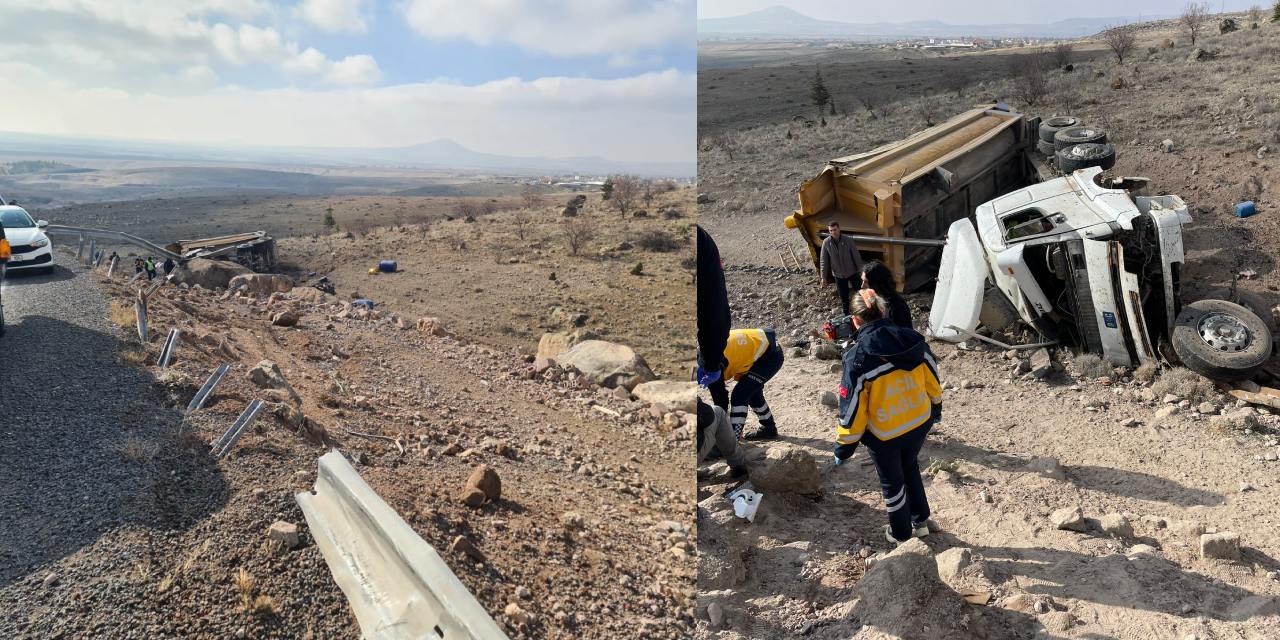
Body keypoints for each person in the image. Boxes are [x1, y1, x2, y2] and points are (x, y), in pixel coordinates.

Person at [833, 289, 943, 543]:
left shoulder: (857, 357)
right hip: (918, 422)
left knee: (892, 482)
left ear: (855, 320)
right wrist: (935, 407)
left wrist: (844, 446)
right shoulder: (913, 340)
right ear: (882, 311)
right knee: (910, 466)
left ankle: (901, 534)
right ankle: (921, 520)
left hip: (885, 434)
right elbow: (932, 376)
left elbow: (853, 407)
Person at [696, 226, 747, 477]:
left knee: (744, 394)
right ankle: (735, 459)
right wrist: (712, 361)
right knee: (719, 410)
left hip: (763, 357)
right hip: (717, 358)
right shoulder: (700, 241)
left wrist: (712, 361)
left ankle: (734, 448)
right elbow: (715, 316)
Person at [708, 327, 784, 441]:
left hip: (770, 355)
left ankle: (732, 440)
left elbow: (720, 400)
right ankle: (769, 429)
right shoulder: (706, 354)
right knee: (753, 393)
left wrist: (723, 432)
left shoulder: (711, 366)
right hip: (761, 349)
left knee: (740, 394)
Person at [820, 220, 864, 315]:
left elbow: (856, 256)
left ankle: (863, 313)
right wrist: (823, 277)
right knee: (844, 298)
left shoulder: (848, 240)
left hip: (852, 272)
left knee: (860, 294)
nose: (833, 232)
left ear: (839, 229)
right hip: (839, 275)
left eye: (835, 230)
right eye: (831, 230)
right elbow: (823, 260)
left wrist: (862, 272)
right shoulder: (826, 242)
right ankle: (847, 317)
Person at [861, 260, 912, 329]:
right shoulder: (877, 298)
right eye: (862, 281)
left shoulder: (897, 307)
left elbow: (903, 336)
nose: (862, 286)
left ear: (876, 283)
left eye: (866, 282)